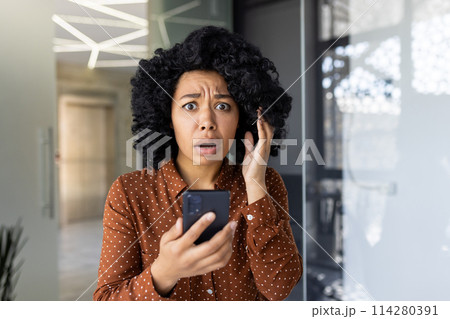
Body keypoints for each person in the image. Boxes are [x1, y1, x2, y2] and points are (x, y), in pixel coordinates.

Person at [93, 26, 302, 301]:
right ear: (168, 117)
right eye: (190, 106)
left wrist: (255, 187)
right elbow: (105, 302)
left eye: (223, 106)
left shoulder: (265, 184)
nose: (207, 122)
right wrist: (164, 272)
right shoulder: (130, 193)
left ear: (242, 118)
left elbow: (278, 289)